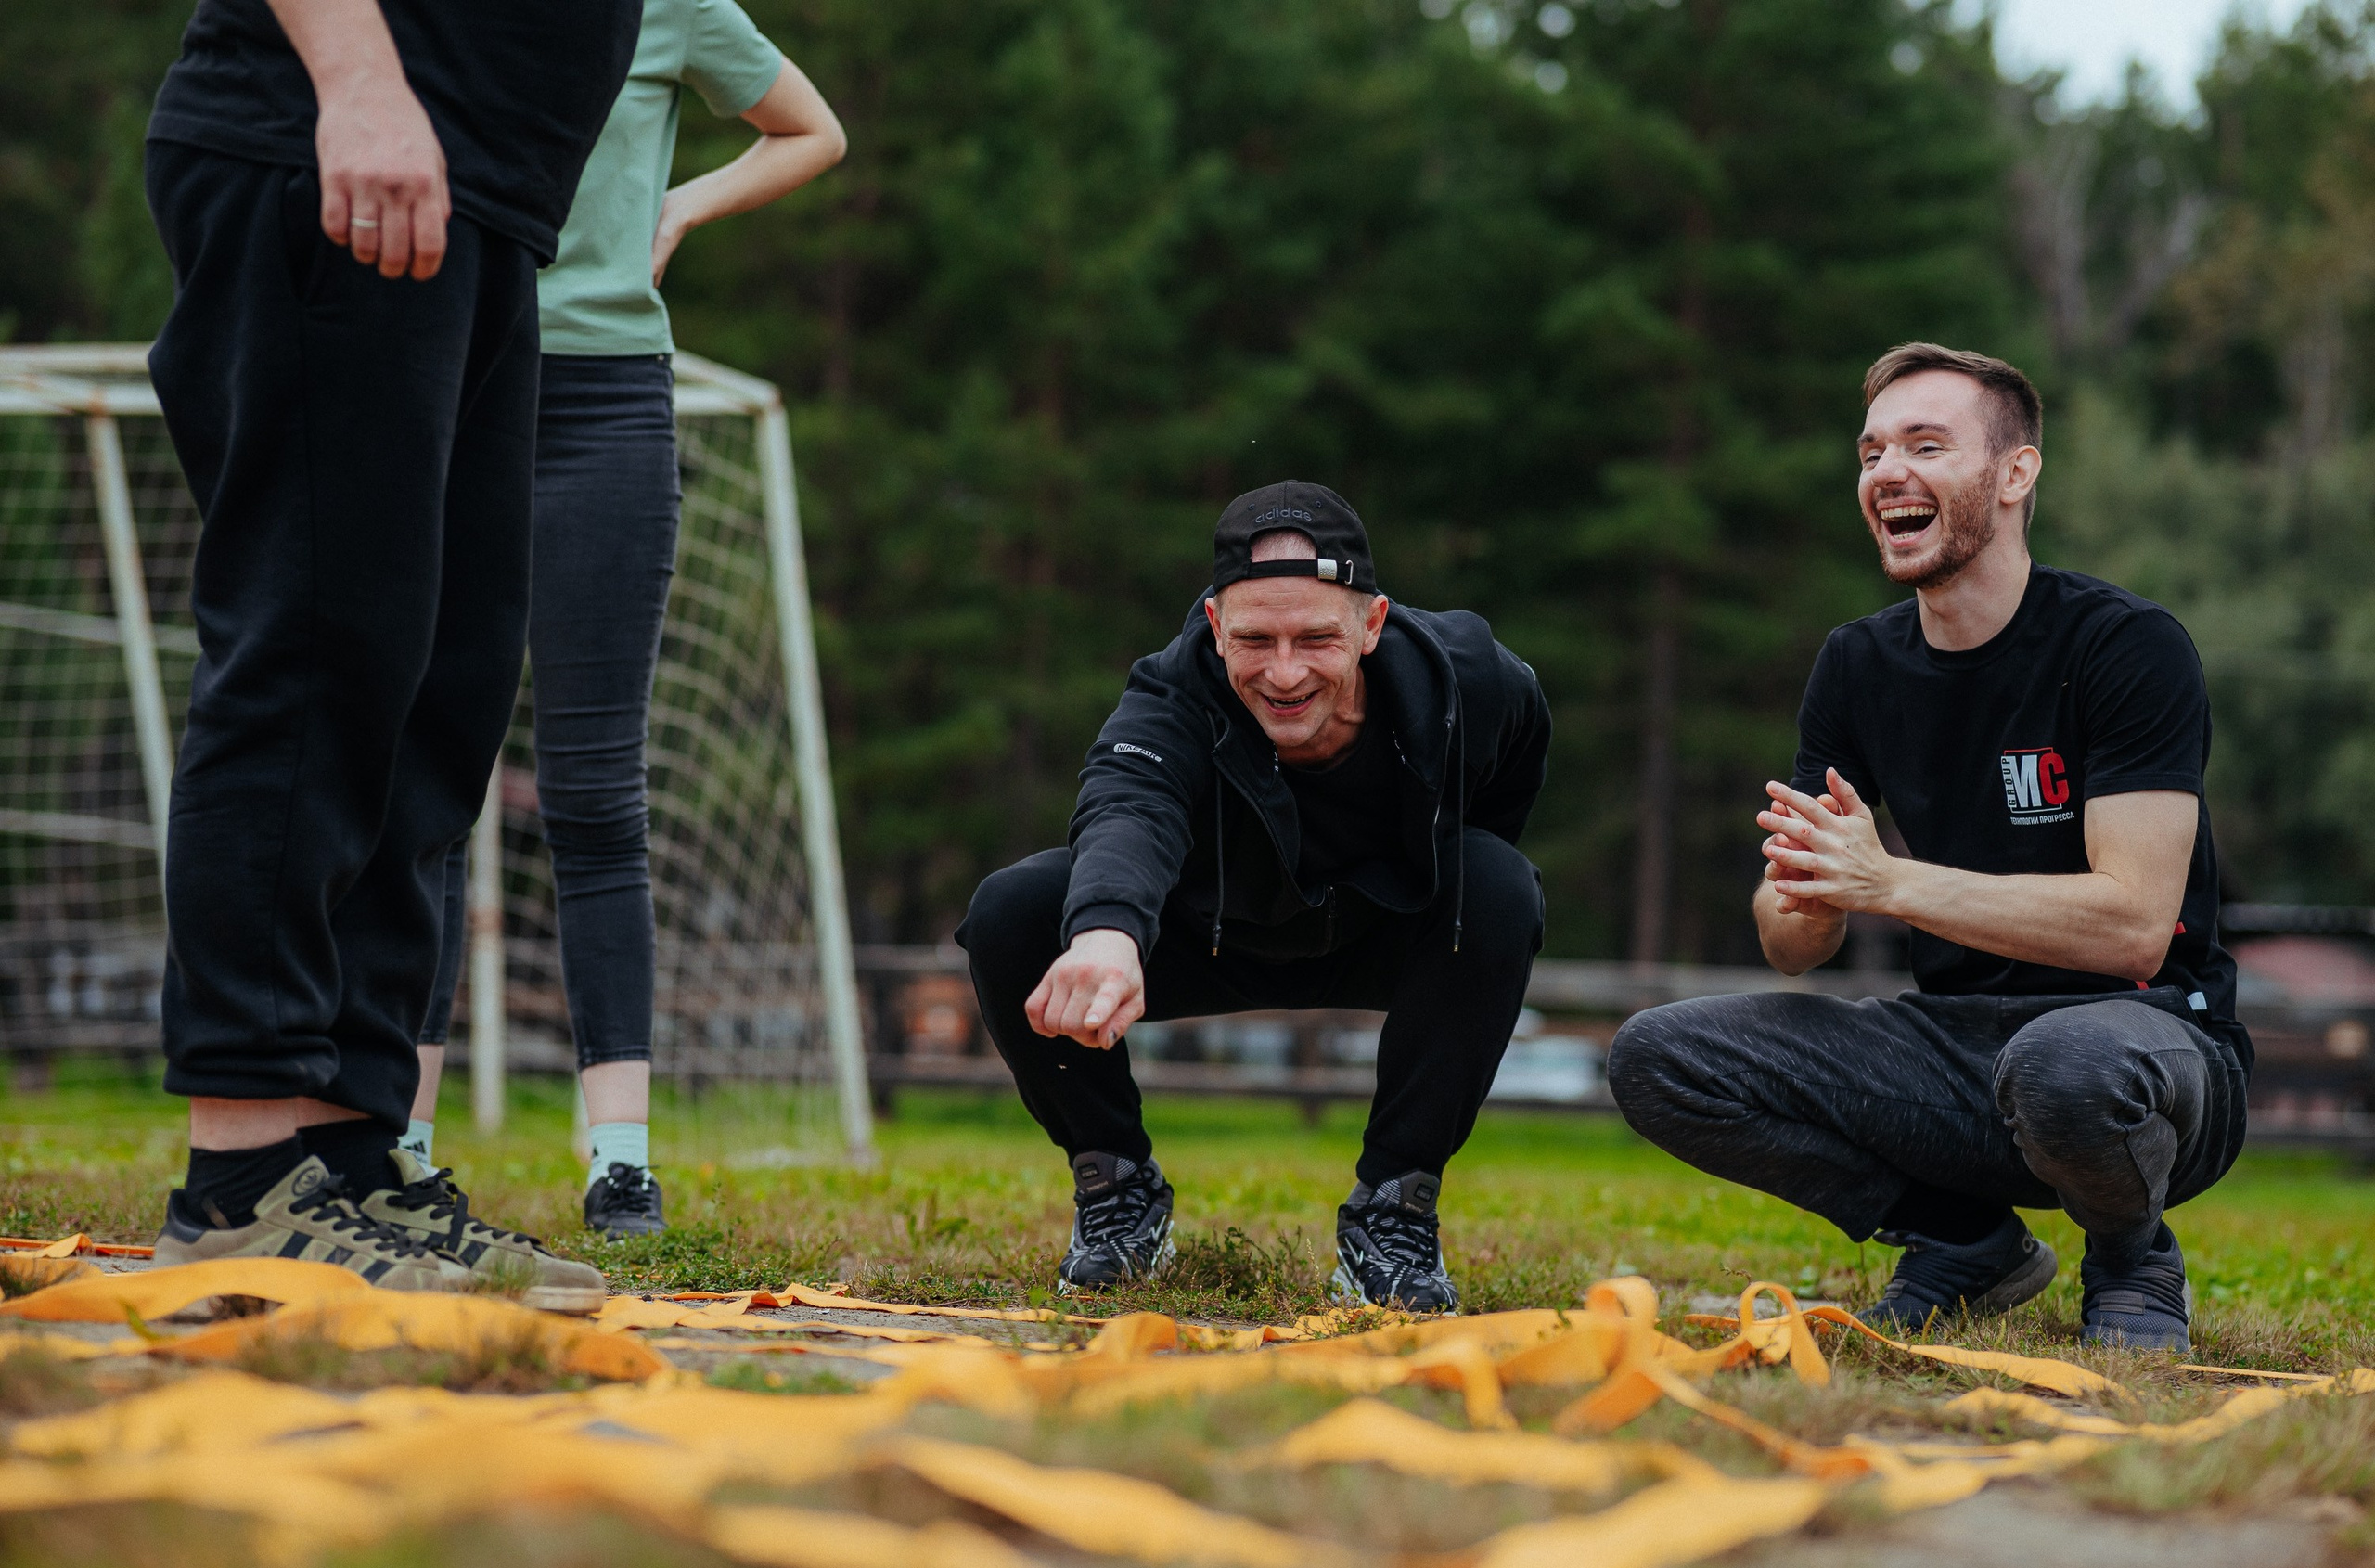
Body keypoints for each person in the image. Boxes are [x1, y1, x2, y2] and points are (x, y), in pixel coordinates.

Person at [1605, 344, 2250, 1353]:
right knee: (1660, 1057)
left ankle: (2130, 1255)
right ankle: (1962, 1243)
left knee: (2063, 1061)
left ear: (2013, 474)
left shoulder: (2124, 646)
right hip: (1953, 1048)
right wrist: (1814, 894)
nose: (1885, 473)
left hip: (2149, 1047)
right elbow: (1788, 942)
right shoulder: (1857, 663)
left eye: (1925, 445)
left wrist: (1890, 881)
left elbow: (2133, 927)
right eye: (1869, 453)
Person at [142, 0, 637, 1302]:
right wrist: (358, 82)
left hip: (482, 198)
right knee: (315, 661)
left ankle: (352, 1158)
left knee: (433, 696)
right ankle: (239, 1183)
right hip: (340, 150)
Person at [405, 0, 848, 1240]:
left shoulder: (671, 8)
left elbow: (811, 132)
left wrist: (682, 207)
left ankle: (621, 1162)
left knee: (598, 792)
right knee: (430, 778)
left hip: (606, 406)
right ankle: (400, 1138)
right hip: (450, 379)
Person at [958, 482, 1550, 1313]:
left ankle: (1395, 1210)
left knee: (1494, 884)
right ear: (1214, 626)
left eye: (1315, 638)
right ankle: (1117, 1192)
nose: (1284, 672)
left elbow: (1513, 770)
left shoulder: (1470, 680)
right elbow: (1128, 805)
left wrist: (1447, 881)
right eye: (1255, 639)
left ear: (1371, 624)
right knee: (1012, 910)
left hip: (1381, 928)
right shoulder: (1171, 694)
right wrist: (1108, 932)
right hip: (1207, 936)